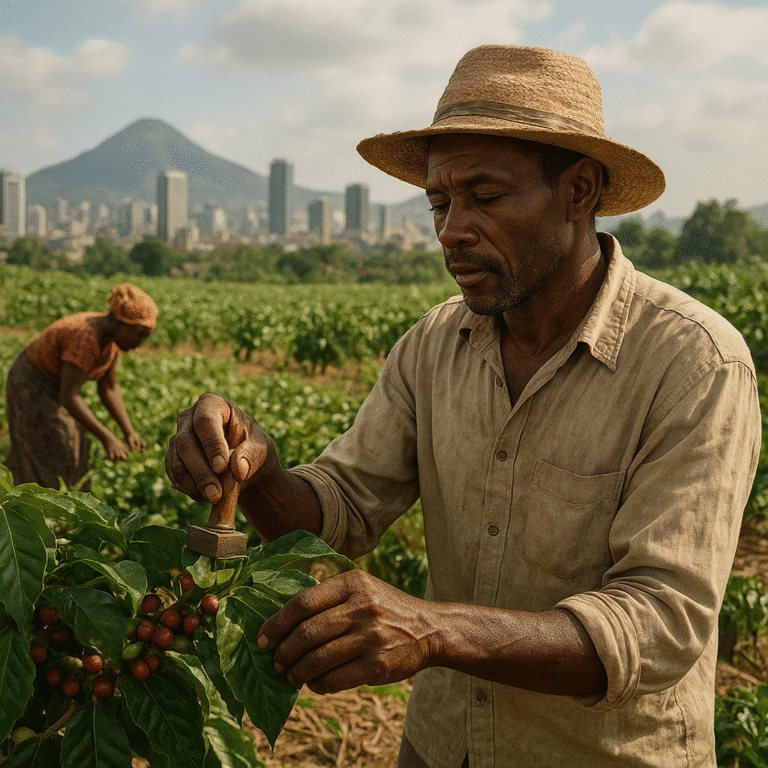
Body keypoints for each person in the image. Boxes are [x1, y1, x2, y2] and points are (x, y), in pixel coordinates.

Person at [165, 45, 761, 768]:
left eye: (486, 196)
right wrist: (256, 468)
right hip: (444, 747)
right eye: (440, 203)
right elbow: (340, 510)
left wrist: (435, 629)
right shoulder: (435, 345)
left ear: (578, 191)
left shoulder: (692, 362)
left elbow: (660, 623)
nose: (451, 230)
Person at [5, 282, 158, 490]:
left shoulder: (110, 342)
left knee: (76, 443)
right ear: (120, 323)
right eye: (138, 334)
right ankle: (40, 502)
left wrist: (128, 431)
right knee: (54, 444)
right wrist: (108, 437)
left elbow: (109, 388)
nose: (140, 343)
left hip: (53, 383)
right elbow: (70, 397)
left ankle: (67, 498)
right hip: (31, 380)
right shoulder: (87, 337)